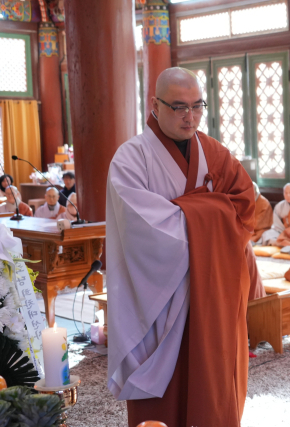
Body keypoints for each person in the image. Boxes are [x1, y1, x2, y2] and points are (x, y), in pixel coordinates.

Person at [106, 67, 254, 427]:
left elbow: (244, 206)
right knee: (164, 393)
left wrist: (194, 211)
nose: (191, 116)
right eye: (179, 107)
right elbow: (142, 230)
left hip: (212, 288)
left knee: (213, 381)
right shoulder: (131, 158)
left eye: (197, 106)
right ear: (155, 105)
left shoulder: (215, 153)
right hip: (159, 295)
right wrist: (210, 210)